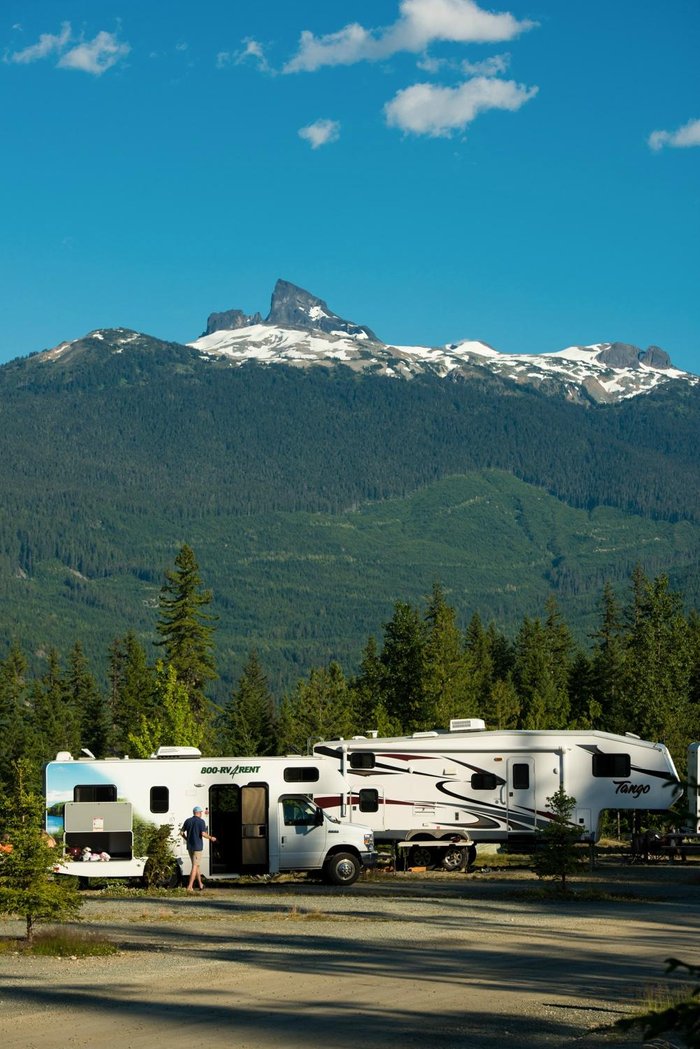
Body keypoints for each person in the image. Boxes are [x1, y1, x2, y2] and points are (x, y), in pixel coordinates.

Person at [180, 805, 217, 891]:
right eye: (201, 813)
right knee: (195, 866)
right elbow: (203, 834)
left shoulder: (187, 821)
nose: (202, 814)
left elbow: (181, 833)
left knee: (197, 866)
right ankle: (190, 887)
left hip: (190, 847)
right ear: (199, 813)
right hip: (197, 847)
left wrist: (187, 839)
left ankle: (200, 884)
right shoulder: (201, 822)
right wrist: (211, 838)